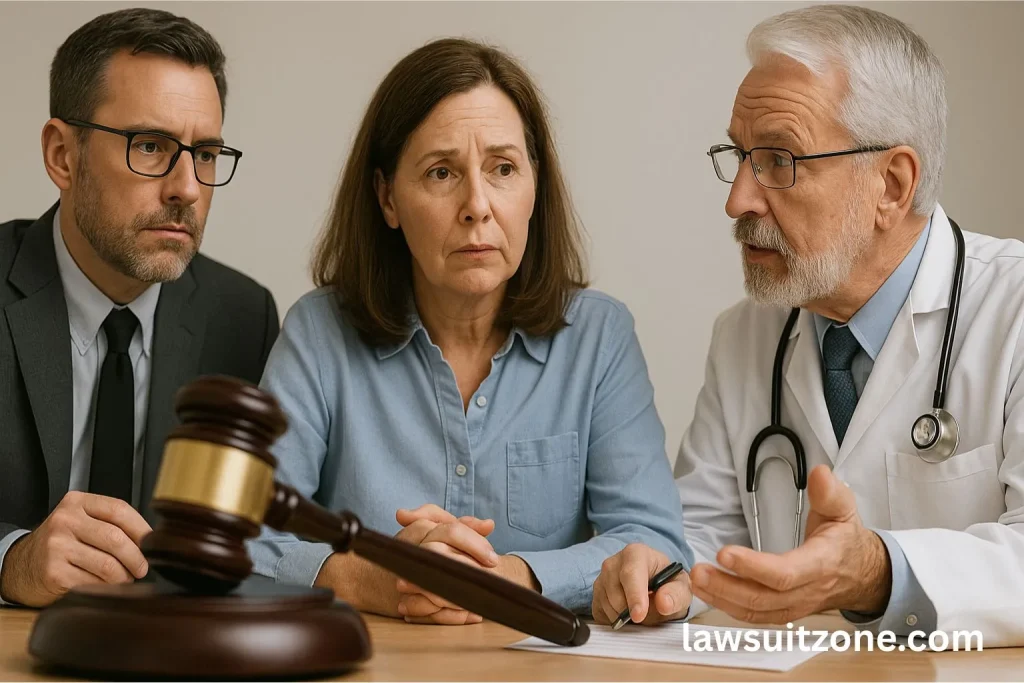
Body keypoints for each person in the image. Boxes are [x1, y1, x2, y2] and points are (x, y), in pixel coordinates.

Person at [592, 4, 1024, 647]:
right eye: (739, 156)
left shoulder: (1012, 311)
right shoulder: (745, 336)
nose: (737, 199)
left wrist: (875, 572)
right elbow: (708, 532)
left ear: (891, 184)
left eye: (780, 160)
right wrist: (662, 572)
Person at [249, 37, 691, 623]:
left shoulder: (599, 336)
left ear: (535, 185)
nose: (477, 206)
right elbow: (240, 532)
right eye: (441, 172)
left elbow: (654, 541)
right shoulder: (318, 332)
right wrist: (376, 579)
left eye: (503, 168)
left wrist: (512, 577)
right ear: (387, 198)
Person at [0, 8, 280, 608]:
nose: (186, 188)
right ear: (61, 155)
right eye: (149, 146)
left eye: (204, 153)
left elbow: (251, 537)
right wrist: (11, 560)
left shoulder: (242, 316)